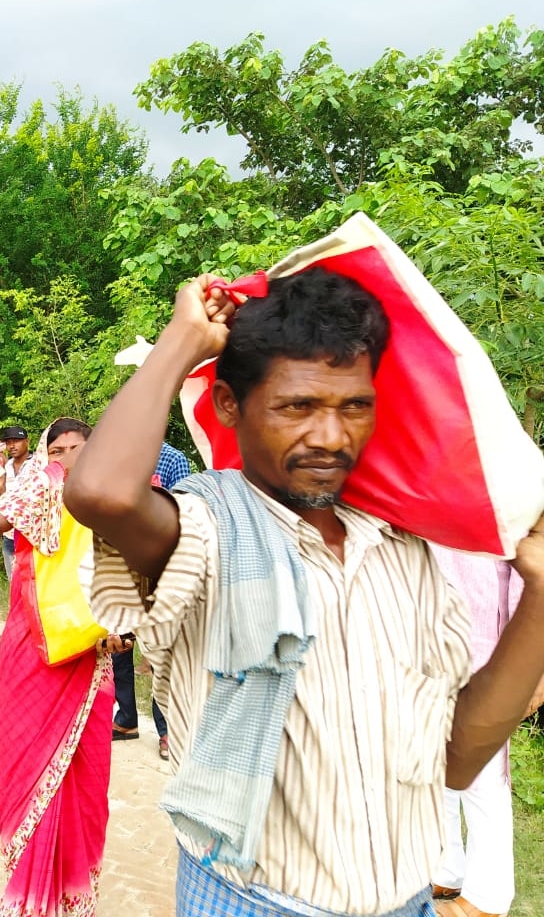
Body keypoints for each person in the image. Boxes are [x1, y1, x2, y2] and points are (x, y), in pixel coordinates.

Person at [64, 268, 544, 916]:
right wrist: (183, 341)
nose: (331, 436)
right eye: (298, 407)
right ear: (230, 405)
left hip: (407, 903)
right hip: (249, 900)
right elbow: (103, 495)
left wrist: (540, 589)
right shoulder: (207, 529)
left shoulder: (406, 546)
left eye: (354, 406)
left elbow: (456, 761)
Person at [0, 417, 118, 917]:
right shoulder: (38, 490)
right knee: (27, 759)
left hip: (88, 656)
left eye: (76, 448)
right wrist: (41, 484)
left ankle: (72, 892)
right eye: (56, 450)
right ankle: (29, 895)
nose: (66, 457)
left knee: (82, 772)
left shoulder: (111, 498)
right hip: (30, 648)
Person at [429, 548, 524, 917]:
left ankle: (489, 896)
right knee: (438, 761)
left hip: (484, 638)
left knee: (484, 772)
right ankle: (446, 867)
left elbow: (528, 571)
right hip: (432, 632)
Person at [112, 441, 192, 758]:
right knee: (120, 645)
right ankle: (126, 719)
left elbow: (182, 513)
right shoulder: (118, 456)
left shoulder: (173, 459)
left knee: (159, 650)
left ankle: (167, 730)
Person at [0, 425, 31, 579]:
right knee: (14, 581)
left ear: (27, 442)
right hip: (9, 534)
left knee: (33, 582)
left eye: (16, 441)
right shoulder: (6, 467)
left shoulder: (38, 465)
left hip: (31, 534)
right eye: (9, 442)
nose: (12, 445)